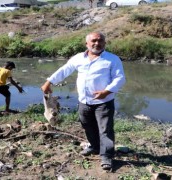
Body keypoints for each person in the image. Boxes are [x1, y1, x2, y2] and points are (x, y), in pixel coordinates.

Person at [41, 32, 126, 170]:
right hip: (84, 101)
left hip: (104, 102)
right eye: (94, 41)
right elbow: (65, 70)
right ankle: (94, 146)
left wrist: (107, 91)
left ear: (104, 43)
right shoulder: (79, 58)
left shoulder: (112, 59)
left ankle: (106, 156)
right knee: (87, 126)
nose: (97, 43)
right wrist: (49, 82)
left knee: (105, 130)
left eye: (100, 41)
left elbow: (120, 78)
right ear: (87, 43)